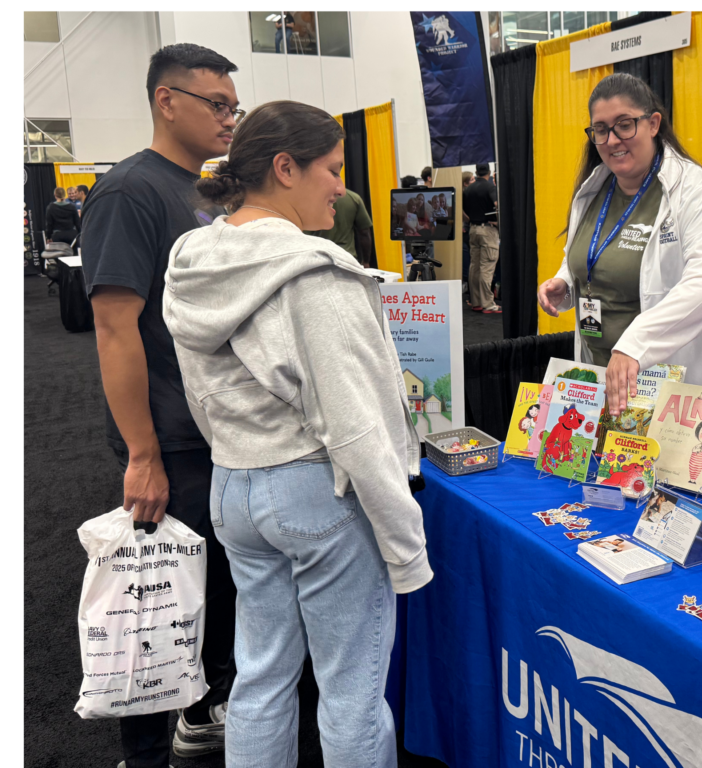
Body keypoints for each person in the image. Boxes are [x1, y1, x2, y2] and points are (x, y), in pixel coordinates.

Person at [162, 100, 433, 767]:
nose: (342, 187)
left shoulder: (193, 262)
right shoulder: (316, 274)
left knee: (260, 676)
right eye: (332, 170)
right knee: (353, 691)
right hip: (316, 491)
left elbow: (200, 393)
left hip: (235, 483)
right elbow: (359, 428)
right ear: (285, 168)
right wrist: (406, 547)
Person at [80, 43, 243, 768]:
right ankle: (141, 754)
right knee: (153, 602)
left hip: (219, 432)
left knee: (215, 596)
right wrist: (143, 454)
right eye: (217, 104)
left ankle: (201, 713)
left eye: (234, 106)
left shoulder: (205, 191)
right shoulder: (130, 193)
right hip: (170, 441)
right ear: (165, 100)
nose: (229, 118)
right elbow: (115, 329)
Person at [537, 73, 702, 417]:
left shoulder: (692, 189)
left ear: (653, 124)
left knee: (668, 470)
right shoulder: (594, 190)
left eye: (624, 125)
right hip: (602, 381)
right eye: (601, 129)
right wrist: (566, 282)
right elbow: (592, 254)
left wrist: (635, 344)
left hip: (669, 382)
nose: (612, 139)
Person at [463, 163, 500, 314]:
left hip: (473, 229)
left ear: (476, 172)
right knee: (487, 267)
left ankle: (476, 302)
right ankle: (488, 304)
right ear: (489, 172)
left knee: (475, 267)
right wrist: (498, 220)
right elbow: (497, 204)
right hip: (488, 230)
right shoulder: (491, 187)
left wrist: (472, 219)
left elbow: (463, 210)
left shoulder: (469, 189)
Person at [306, 187, 374, 267]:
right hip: (347, 260)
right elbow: (364, 233)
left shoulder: (308, 198)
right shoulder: (353, 198)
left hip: (317, 260)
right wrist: (366, 262)